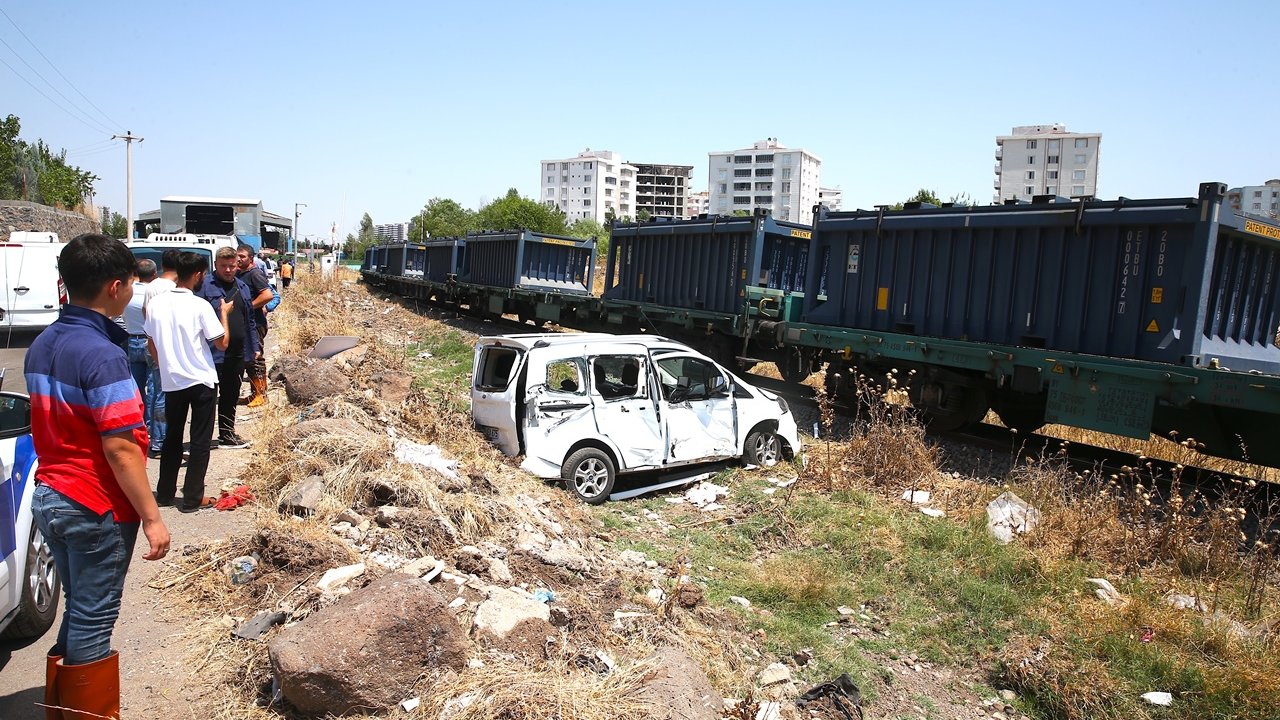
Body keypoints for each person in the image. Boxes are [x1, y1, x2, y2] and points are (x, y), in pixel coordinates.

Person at [24, 233, 171, 720]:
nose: (132, 290)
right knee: (94, 616)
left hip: (52, 495)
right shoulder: (102, 354)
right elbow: (121, 447)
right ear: (115, 286)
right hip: (95, 502)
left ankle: (60, 706)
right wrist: (152, 517)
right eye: (130, 282)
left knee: (80, 609)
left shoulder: (45, 342)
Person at [146, 251, 230, 512]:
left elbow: (151, 341)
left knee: (172, 437)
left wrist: (164, 366)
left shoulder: (157, 304)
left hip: (173, 381)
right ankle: (193, 496)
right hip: (201, 380)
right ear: (197, 275)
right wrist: (224, 313)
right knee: (200, 440)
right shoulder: (200, 305)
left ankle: (165, 493)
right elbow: (222, 342)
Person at [196, 246, 258, 449]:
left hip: (237, 352)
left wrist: (254, 345)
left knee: (230, 395)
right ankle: (202, 440)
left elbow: (249, 320)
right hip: (212, 354)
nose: (228, 270)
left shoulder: (242, 287)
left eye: (232, 266)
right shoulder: (205, 286)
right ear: (216, 265)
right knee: (207, 398)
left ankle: (227, 434)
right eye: (224, 266)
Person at [124, 258, 168, 459]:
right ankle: (155, 434)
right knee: (156, 390)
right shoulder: (155, 294)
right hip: (151, 342)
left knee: (137, 390)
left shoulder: (128, 293)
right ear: (154, 274)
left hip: (131, 340)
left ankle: (139, 430)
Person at [235, 244, 273, 408]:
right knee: (247, 360)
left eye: (242, 256)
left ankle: (261, 394)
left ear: (251, 258)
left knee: (255, 358)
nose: (238, 259)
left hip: (255, 324)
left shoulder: (255, 274)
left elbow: (267, 295)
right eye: (237, 255)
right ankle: (254, 393)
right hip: (244, 324)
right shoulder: (239, 274)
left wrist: (248, 307)